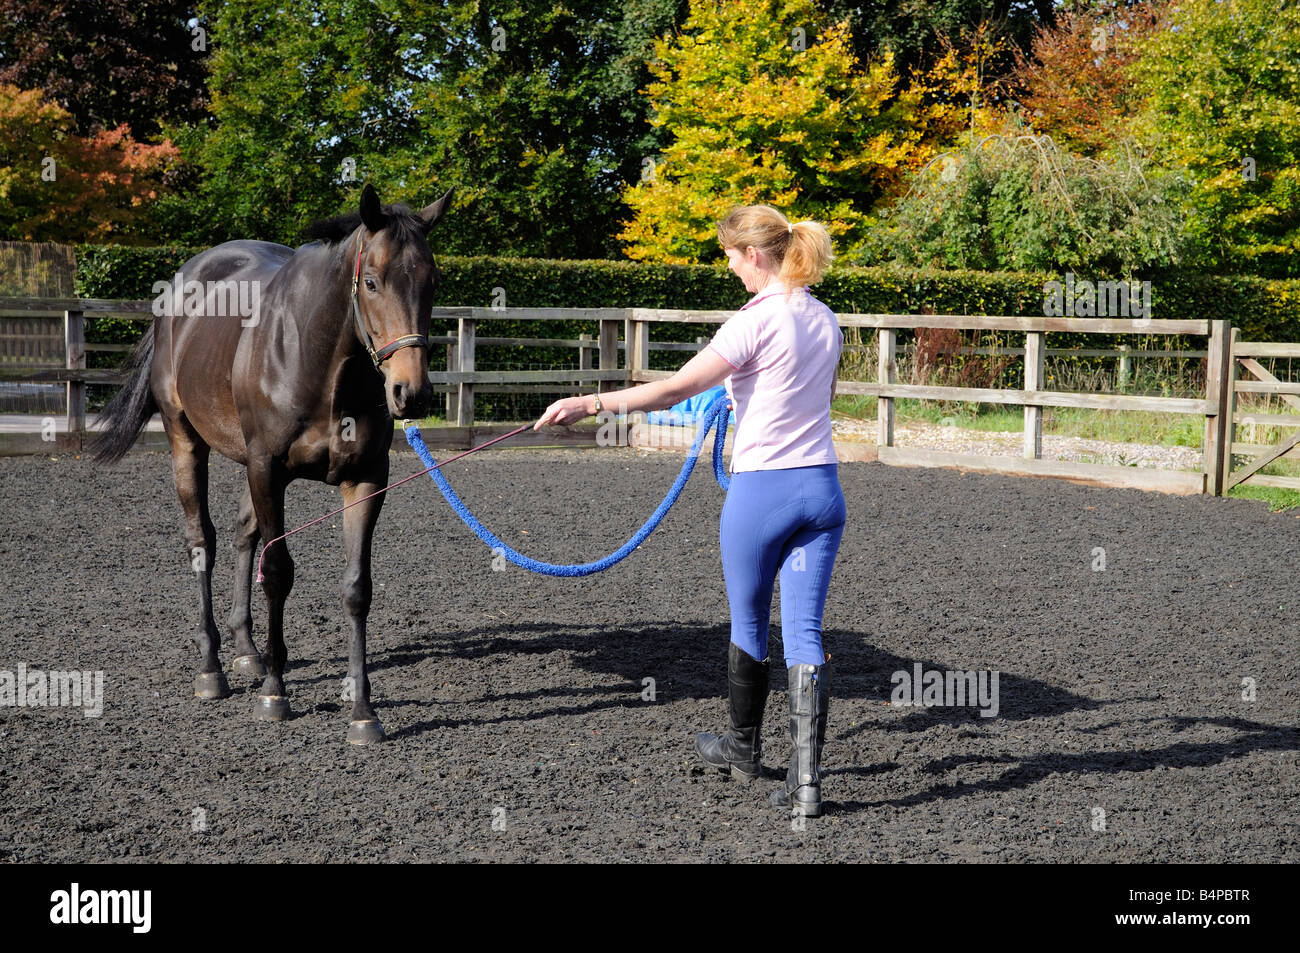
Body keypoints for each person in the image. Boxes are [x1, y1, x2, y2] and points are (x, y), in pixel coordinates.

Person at [534, 205, 846, 817]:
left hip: (764, 494)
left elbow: (674, 389)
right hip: (824, 492)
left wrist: (591, 402)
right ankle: (806, 784)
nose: (731, 269)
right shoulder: (826, 318)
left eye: (731, 257)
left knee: (751, 624)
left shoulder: (752, 322)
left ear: (754, 254)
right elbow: (816, 398)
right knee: (805, 632)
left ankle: (743, 747)